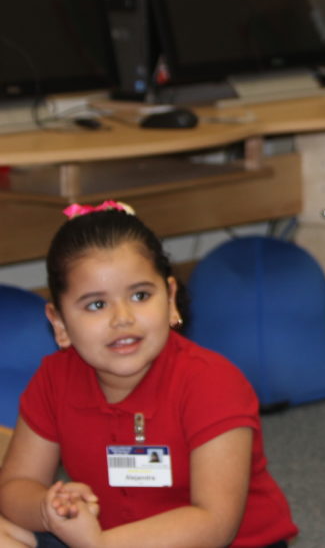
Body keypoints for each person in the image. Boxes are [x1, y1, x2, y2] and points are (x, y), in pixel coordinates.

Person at [0, 201, 298, 548]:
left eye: (140, 295)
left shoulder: (212, 382)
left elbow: (214, 523)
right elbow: (15, 486)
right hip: (96, 537)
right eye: (96, 304)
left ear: (170, 299)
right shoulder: (54, 377)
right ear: (60, 324)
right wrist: (51, 508)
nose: (122, 317)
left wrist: (100, 544)